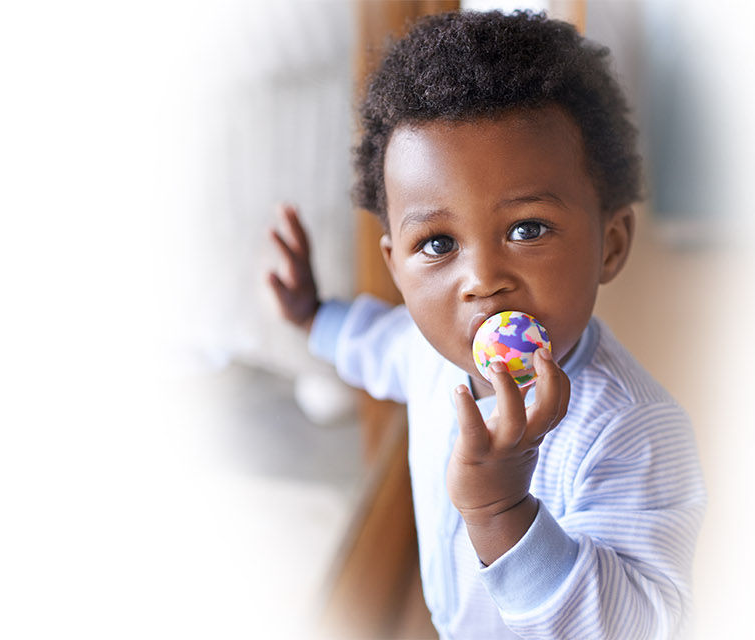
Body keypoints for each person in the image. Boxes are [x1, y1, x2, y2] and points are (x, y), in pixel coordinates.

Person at [267, 11, 704, 639]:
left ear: (609, 245)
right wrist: (314, 315)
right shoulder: (433, 354)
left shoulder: (632, 433)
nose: (482, 279)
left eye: (526, 229)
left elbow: (638, 625)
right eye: (439, 242)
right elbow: (377, 346)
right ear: (396, 267)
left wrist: (504, 512)